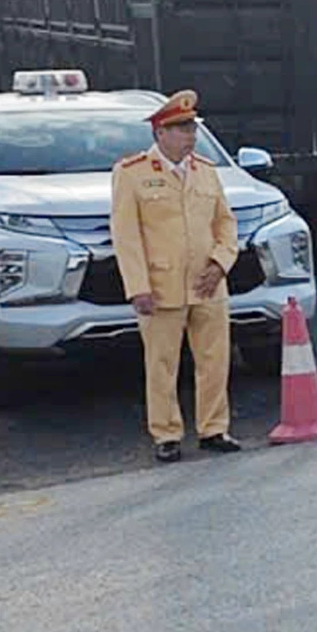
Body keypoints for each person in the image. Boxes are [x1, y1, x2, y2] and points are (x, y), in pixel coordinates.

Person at [111, 89, 242, 464]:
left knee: (215, 359)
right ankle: (166, 433)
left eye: (192, 127)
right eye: (182, 128)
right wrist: (137, 287)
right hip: (161, 285)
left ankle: (213, 428)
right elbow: (127, 236)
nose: (191, 135)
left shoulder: (206, 171)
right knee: (162, 362)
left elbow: (225, 223)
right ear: (160, 133)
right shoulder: (132, 174)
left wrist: (220, 264)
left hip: (208, 283)